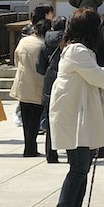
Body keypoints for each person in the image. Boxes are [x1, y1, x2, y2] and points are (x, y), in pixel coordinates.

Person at [49, 9, 104, 207]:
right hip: (74, 118)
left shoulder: (79, 50)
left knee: (82, 167)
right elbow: (101, 78)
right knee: (78, 167)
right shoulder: (78, 51)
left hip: (79, 116)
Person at [11, 6, 48, 157]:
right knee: (35, 119)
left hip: (23, 83)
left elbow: (16, 61)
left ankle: (28, 146)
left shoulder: (23, 42)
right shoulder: (43, 45)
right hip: (38, 84)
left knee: (25, 118)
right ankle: (31, 148)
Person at [38, 15, 67, 162]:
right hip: (65, 81)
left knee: (50, 120)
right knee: (69, 119)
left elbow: (39, 67)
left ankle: (51, 154)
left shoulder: (45, 42)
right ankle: (70, 152)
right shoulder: (69, 41)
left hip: (50, 81)